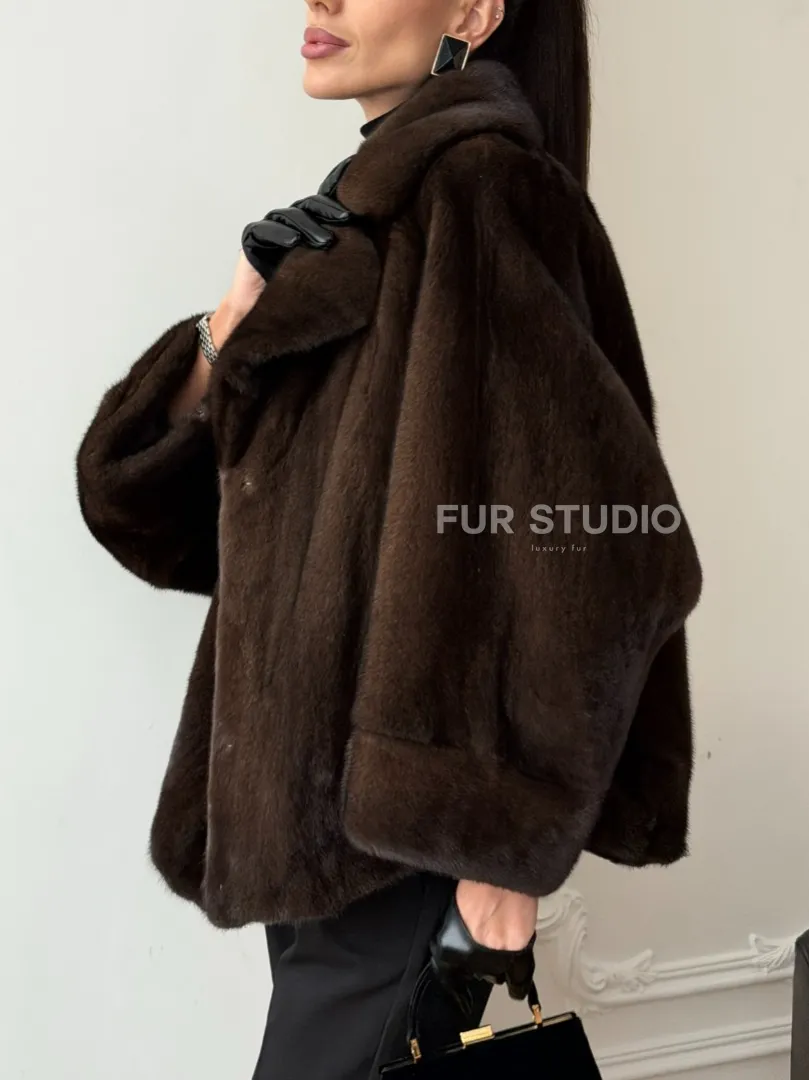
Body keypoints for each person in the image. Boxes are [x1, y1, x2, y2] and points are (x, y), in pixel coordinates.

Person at [74, 0, 703, 1076]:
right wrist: (229, 328)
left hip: (404, 848)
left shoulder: (482, 193)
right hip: (324, 844)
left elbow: (601, 544)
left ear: (475, 11)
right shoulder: (355, 227)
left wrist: (496, 846)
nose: (319, 1)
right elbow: (170, 521)